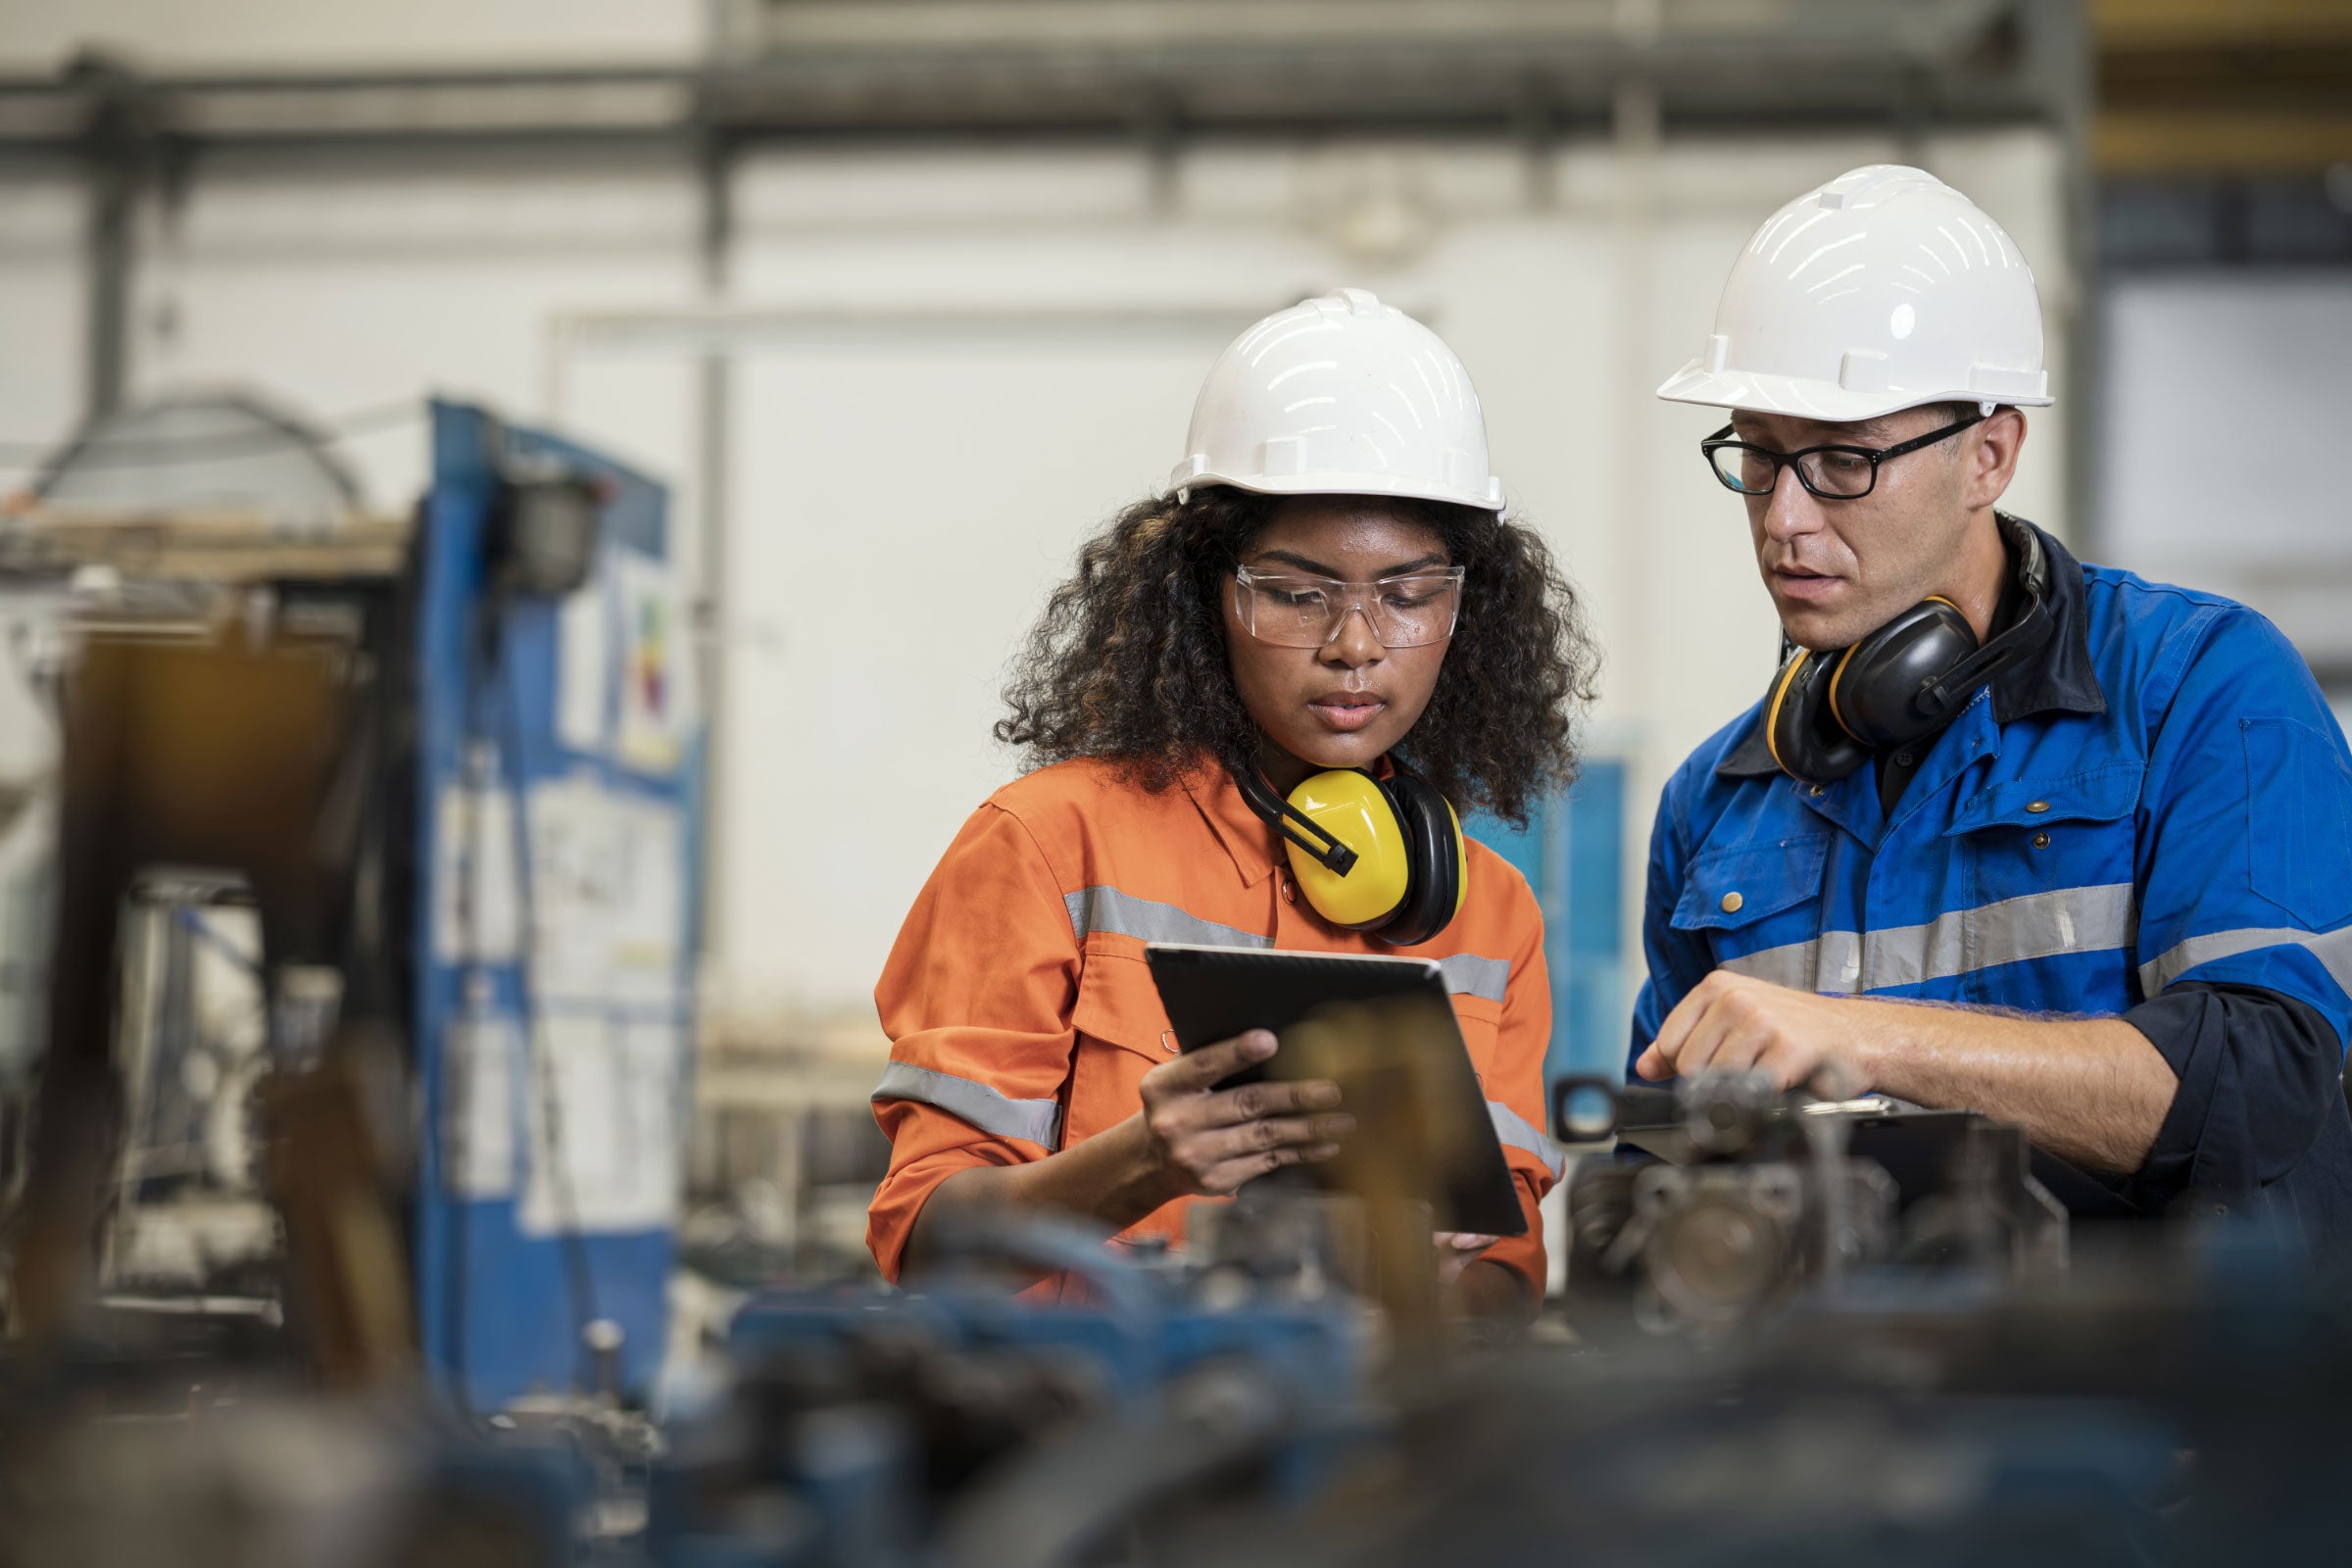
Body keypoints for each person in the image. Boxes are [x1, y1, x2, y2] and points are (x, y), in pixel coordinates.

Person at [1634, 164, 2352, 1242]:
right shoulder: (1718, 798)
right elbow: (1660, 1176)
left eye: (1840, 462)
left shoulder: (2202, 691)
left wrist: (1865, 1040)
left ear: (1990, 453)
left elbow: (2259, 1093)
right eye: (1761, 457)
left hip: (2162, 1398)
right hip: (1834, 1404)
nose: (1784, 518)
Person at [865, 289, 1598, 1318]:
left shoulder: (1492, 915)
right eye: (1299, 592)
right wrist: (1138, 1164)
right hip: (1085, 1442)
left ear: (1466, 609)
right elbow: (926, 1240)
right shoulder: (1048, 844)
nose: (1355, 642)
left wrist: (1430, 1281)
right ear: (1208, 592)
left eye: (1408, 592)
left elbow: (1510, 1277)